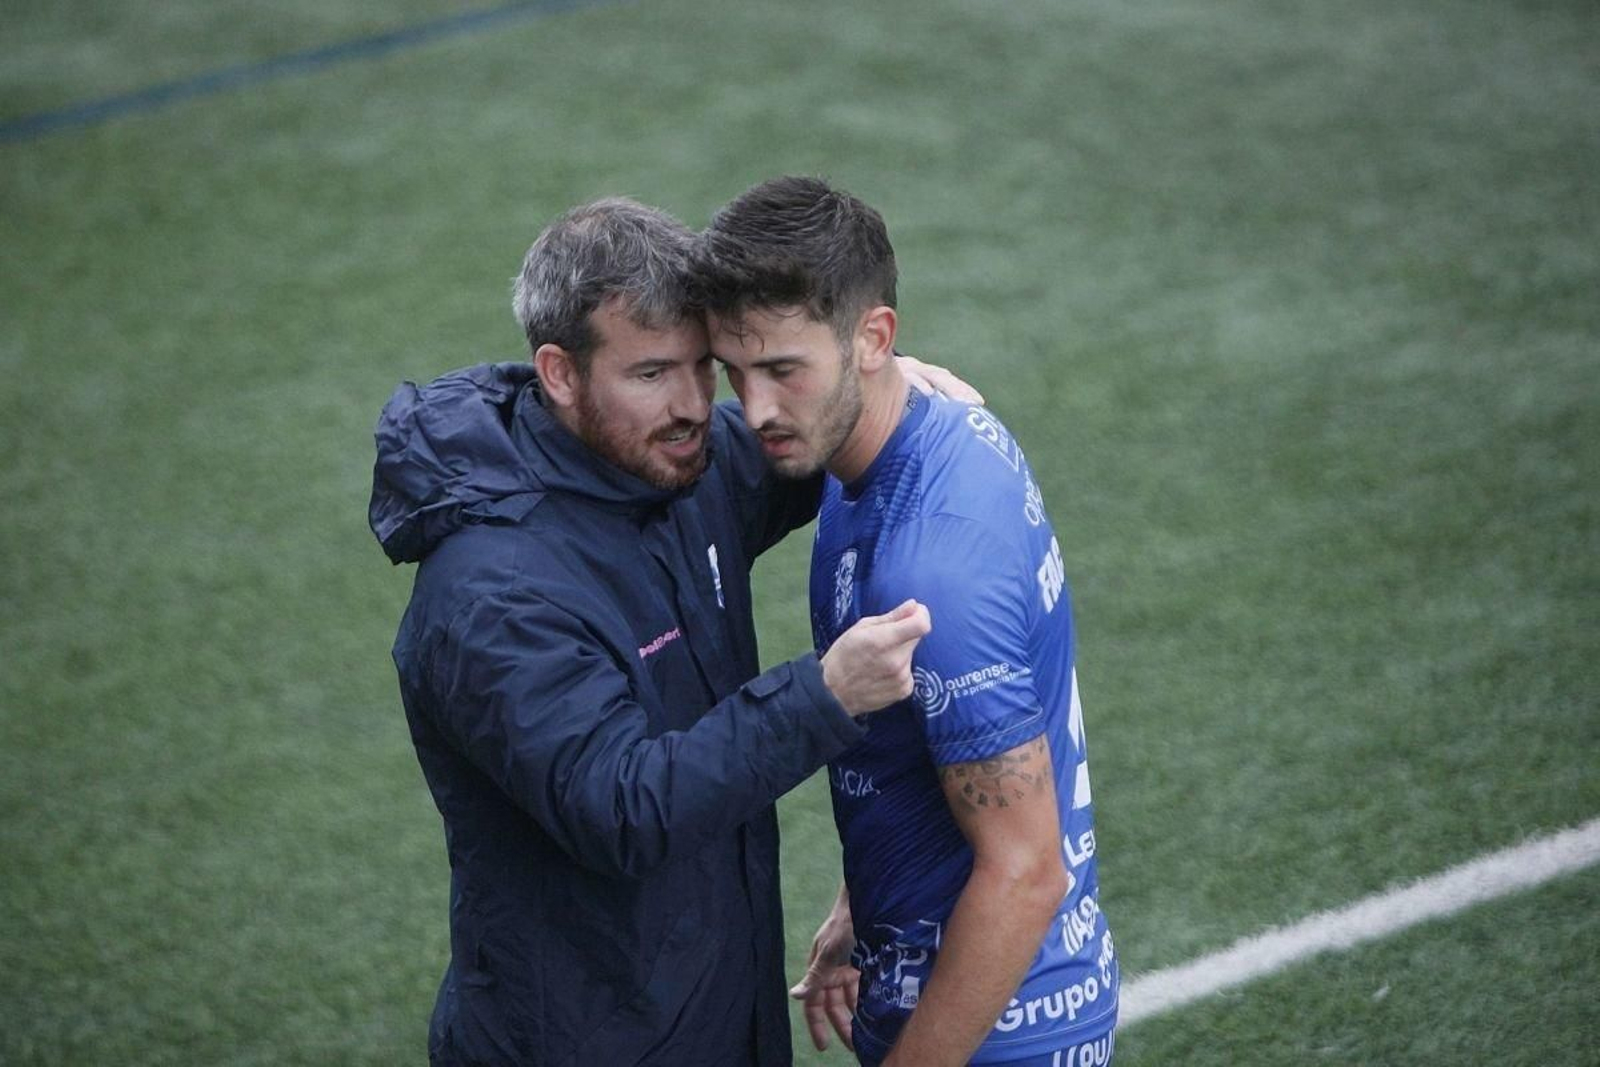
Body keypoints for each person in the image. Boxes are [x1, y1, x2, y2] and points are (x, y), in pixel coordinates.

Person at [368, 197, 946, 1066]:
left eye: (702, 368)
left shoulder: (667, 463)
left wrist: (898, 384)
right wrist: (822, 694)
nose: (691, 405)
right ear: (560, 373)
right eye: (650, 374)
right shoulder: (494, 598)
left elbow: (807, 438)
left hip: (714, 1018)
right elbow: (623, 805)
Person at [693, 176, 1119, 1067]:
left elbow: (1025, 870)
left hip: (1001, 1032)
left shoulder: (932, 565)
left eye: (783, 369)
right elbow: (912, 738)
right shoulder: (890, 449)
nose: (756, 408)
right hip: (937, 985)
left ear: (873, 339)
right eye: (736, 372)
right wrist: (861, 911)